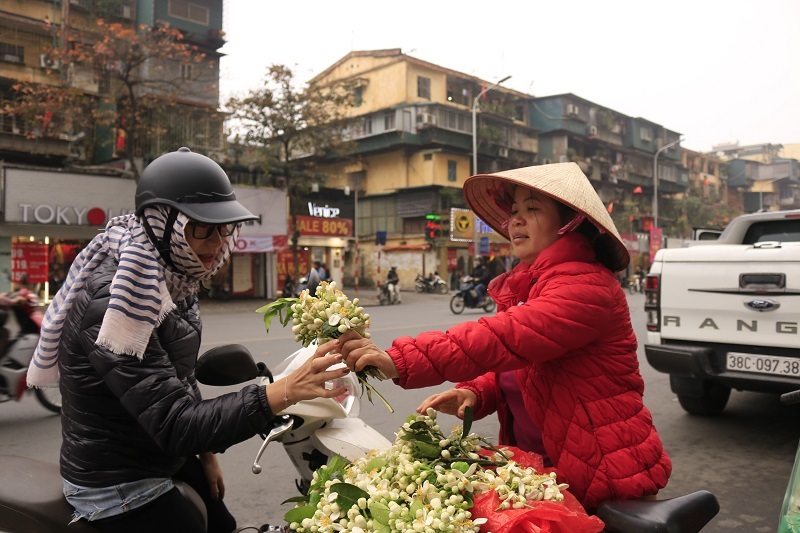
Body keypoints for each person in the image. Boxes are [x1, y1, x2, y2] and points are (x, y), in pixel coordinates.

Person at [26, 147, 350, 533]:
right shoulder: (121, 299)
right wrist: (284, 391)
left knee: (223, 524)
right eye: (201, 227)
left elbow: (178, 380)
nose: (216, 243)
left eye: (223, 228)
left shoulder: (175, 278)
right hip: (116, 480)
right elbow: (176, 421)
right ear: (163, 225)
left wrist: (206, 455)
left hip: (157, 453)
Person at [337, 162, 671, 510]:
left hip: (604, 475)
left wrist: (400, 359)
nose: (516, 221)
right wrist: (477, 392)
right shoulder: (530, 285)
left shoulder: (587, 287)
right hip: (544, 473)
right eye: (514, 212)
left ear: (570, 223)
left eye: (532, 209)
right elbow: (520, 367)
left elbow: (504, 338)